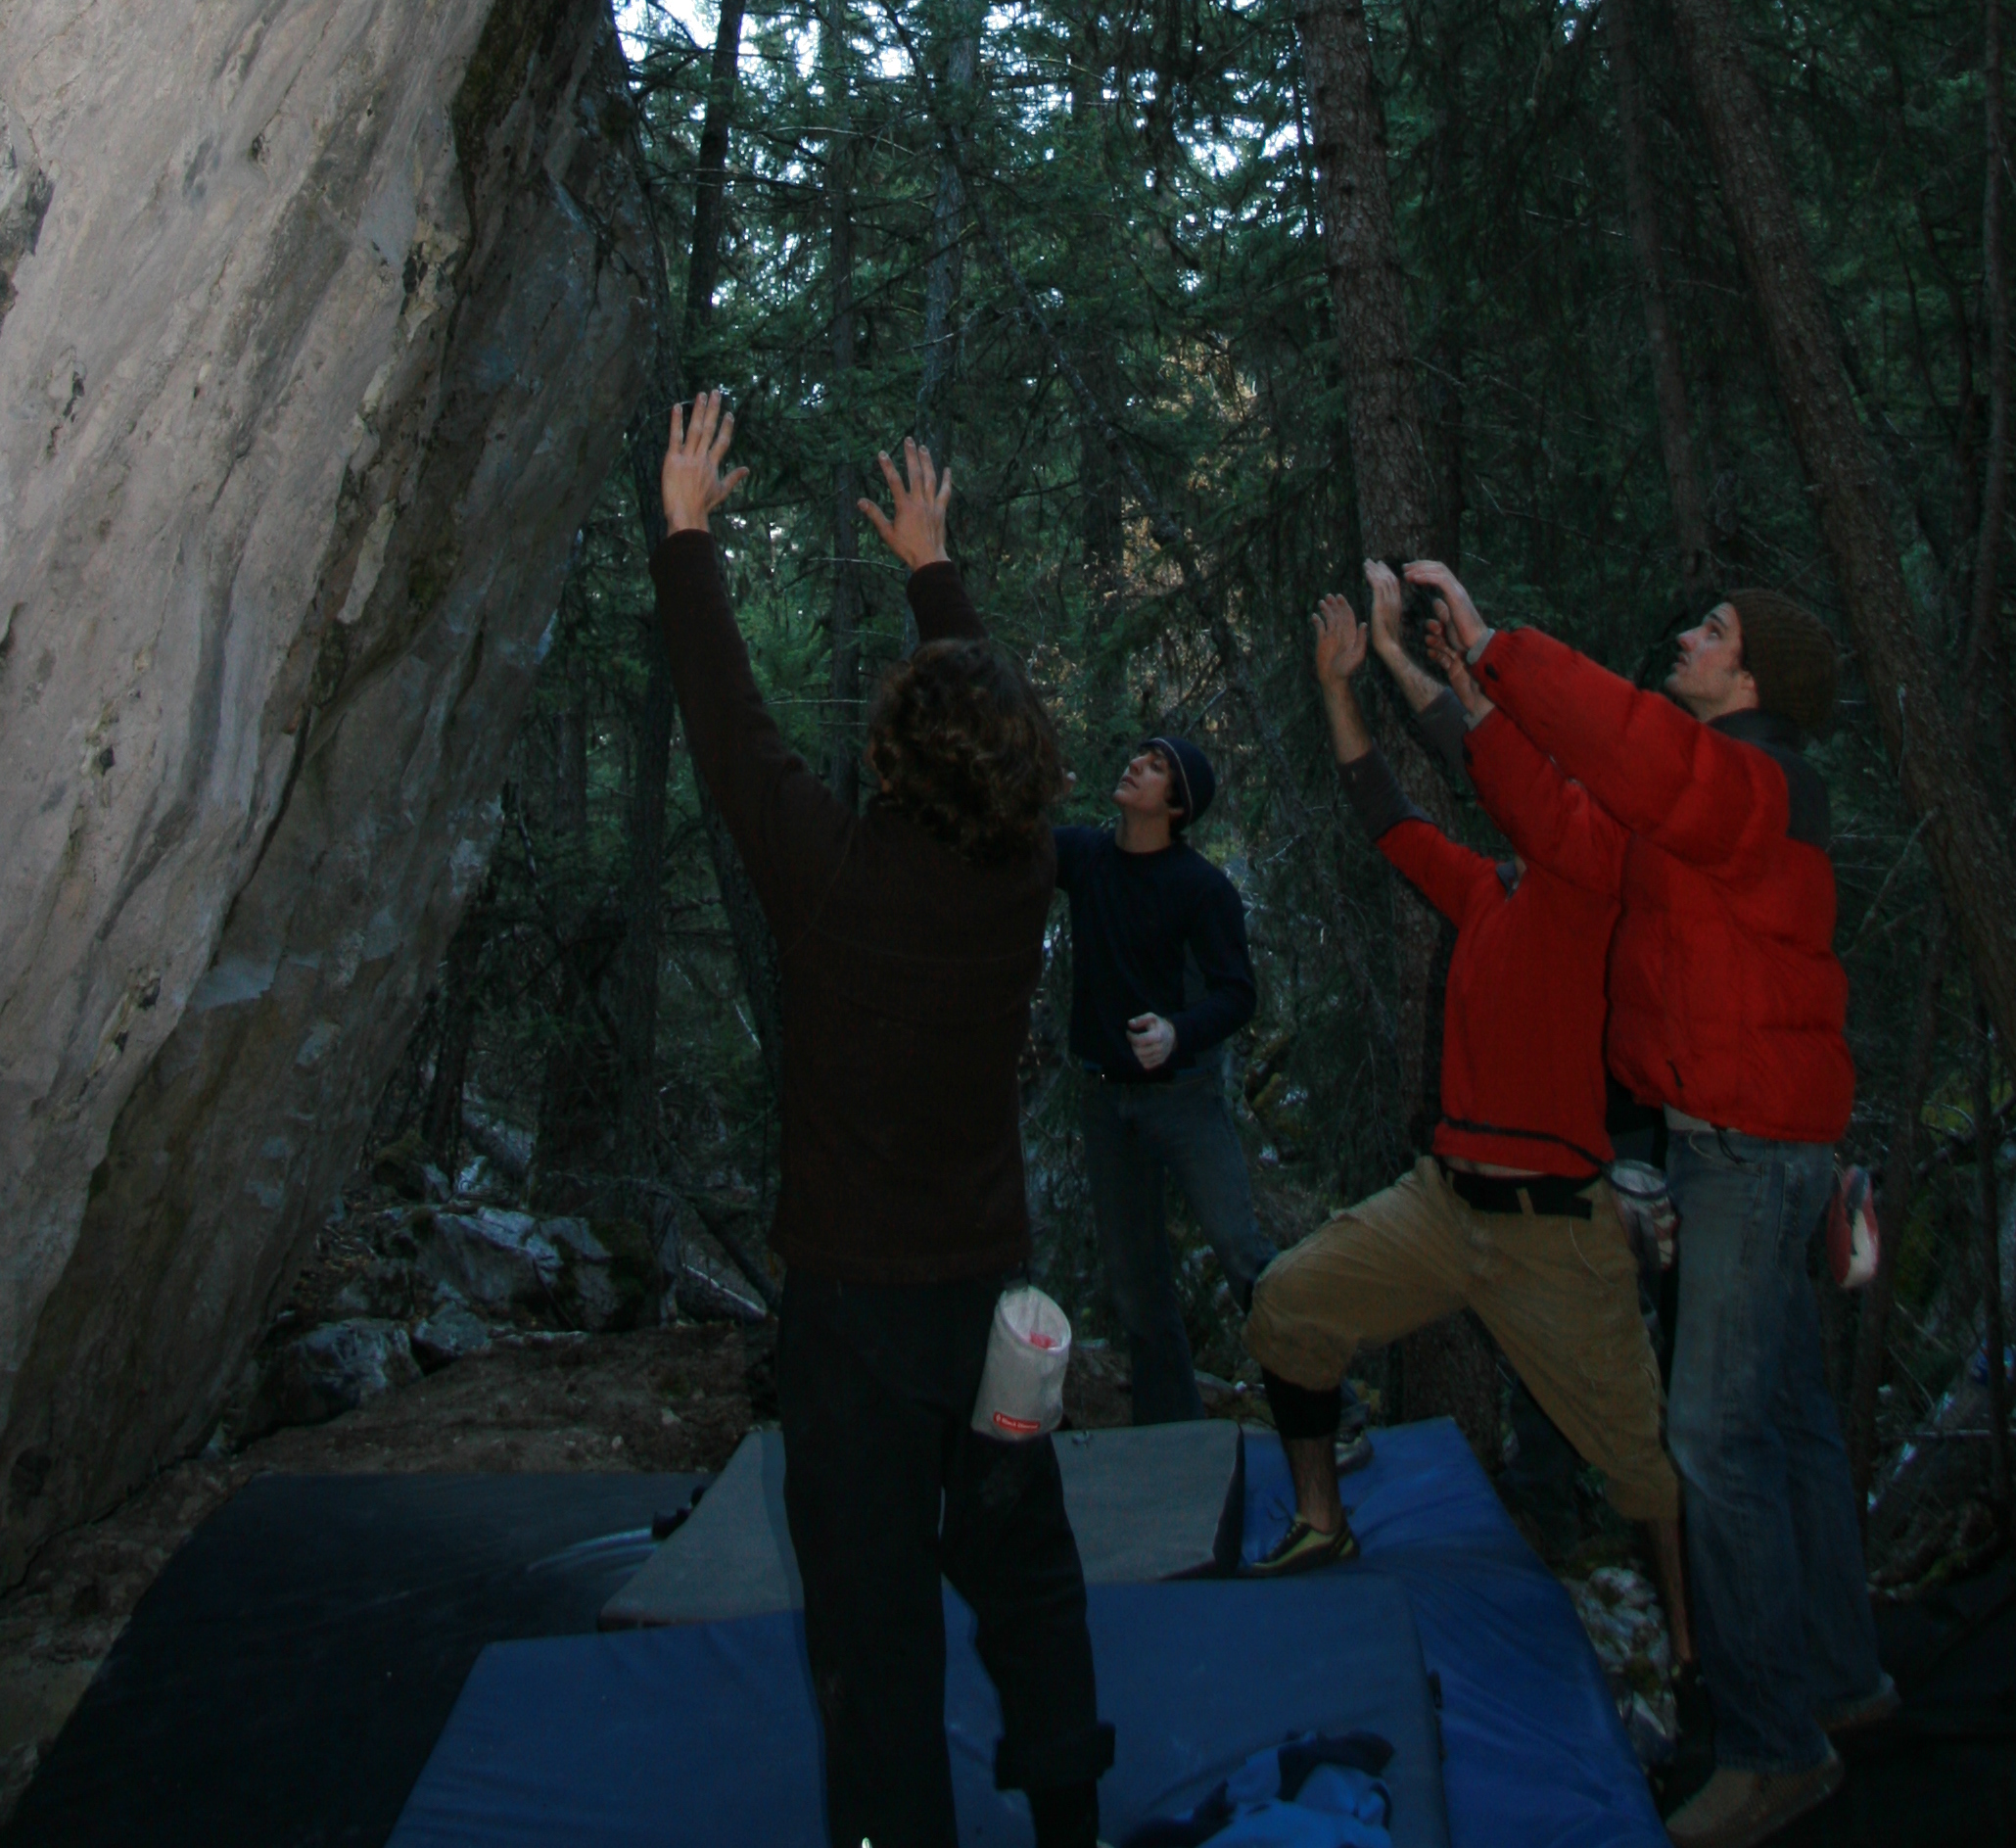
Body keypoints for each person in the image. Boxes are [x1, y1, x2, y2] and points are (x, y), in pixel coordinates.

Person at [652, 399, 1111, 1848]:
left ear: (895, 764)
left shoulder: (833, 879)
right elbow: (992, 720)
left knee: (874, 1622)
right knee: (1025, 1565)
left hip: (854, 1321)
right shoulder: (1025, 876)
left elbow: (729, 727)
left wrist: (685, 536)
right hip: (992, 1306)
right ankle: (1069, 1821)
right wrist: (935, 568)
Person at [1400, 563, 1890, 1848]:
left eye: (1712, 631)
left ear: (1754, 677)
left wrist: (1505, 643)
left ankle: (1776, 1747)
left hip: (1747, 1155)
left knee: (1716, 1445)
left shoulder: (1759, 784)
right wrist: (1472, 698)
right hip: (1757, 1148)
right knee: (1785, 1430)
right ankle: (1843, 1683)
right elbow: (1573, 829)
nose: (1687, 634)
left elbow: (1642, 759)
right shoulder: (1705, 808)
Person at [1243, 573, 1690, 1671]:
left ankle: (1694, 1645)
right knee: (1288, 1307)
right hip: (1442, 1207)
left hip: (1554, 1231)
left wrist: (1433, 665)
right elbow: (1387, 817)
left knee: (1638, 1463)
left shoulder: (1592, 877)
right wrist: (1343, 687)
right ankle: (1320, 1521)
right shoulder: (1489, 893)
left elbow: (1514, 783)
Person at [1054, 729, 1272, 1426]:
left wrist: (1180, 1032)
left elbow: (1238, 993)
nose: (1135, 764)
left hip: (1184, 1101)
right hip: (1103, 1101)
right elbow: (1008, 841)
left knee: (1242, 1251)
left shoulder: (1200, 889)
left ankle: (1327, 1405)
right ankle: (1170, 1435)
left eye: (1155, 766)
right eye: (1138, 756)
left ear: (1177, 805)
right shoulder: (1085, 857)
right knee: (1136, 1286)